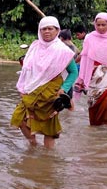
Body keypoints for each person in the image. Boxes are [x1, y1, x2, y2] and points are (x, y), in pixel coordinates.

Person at [11, 17, 78, 149]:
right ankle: (33, 144)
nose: (47, 31)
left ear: (57, 30)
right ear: (39, 31)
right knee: (19, 119)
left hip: (50, 93)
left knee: (49, 129)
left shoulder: (63, 51)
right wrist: (23, 87)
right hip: (30, 91)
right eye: (43, 29)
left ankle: (48, 158)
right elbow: (27, 69)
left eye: (50, 29)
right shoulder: (35, 47)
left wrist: (64, 89)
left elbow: (73, 72)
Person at [74, 12, 107, 126]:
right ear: (95, 24)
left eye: (104, 25)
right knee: (94, 103)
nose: (101, 28)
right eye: (98, 25)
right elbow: (85, 56)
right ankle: (95, 133)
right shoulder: (89, 37)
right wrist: (82, 77)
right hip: (94, 75)